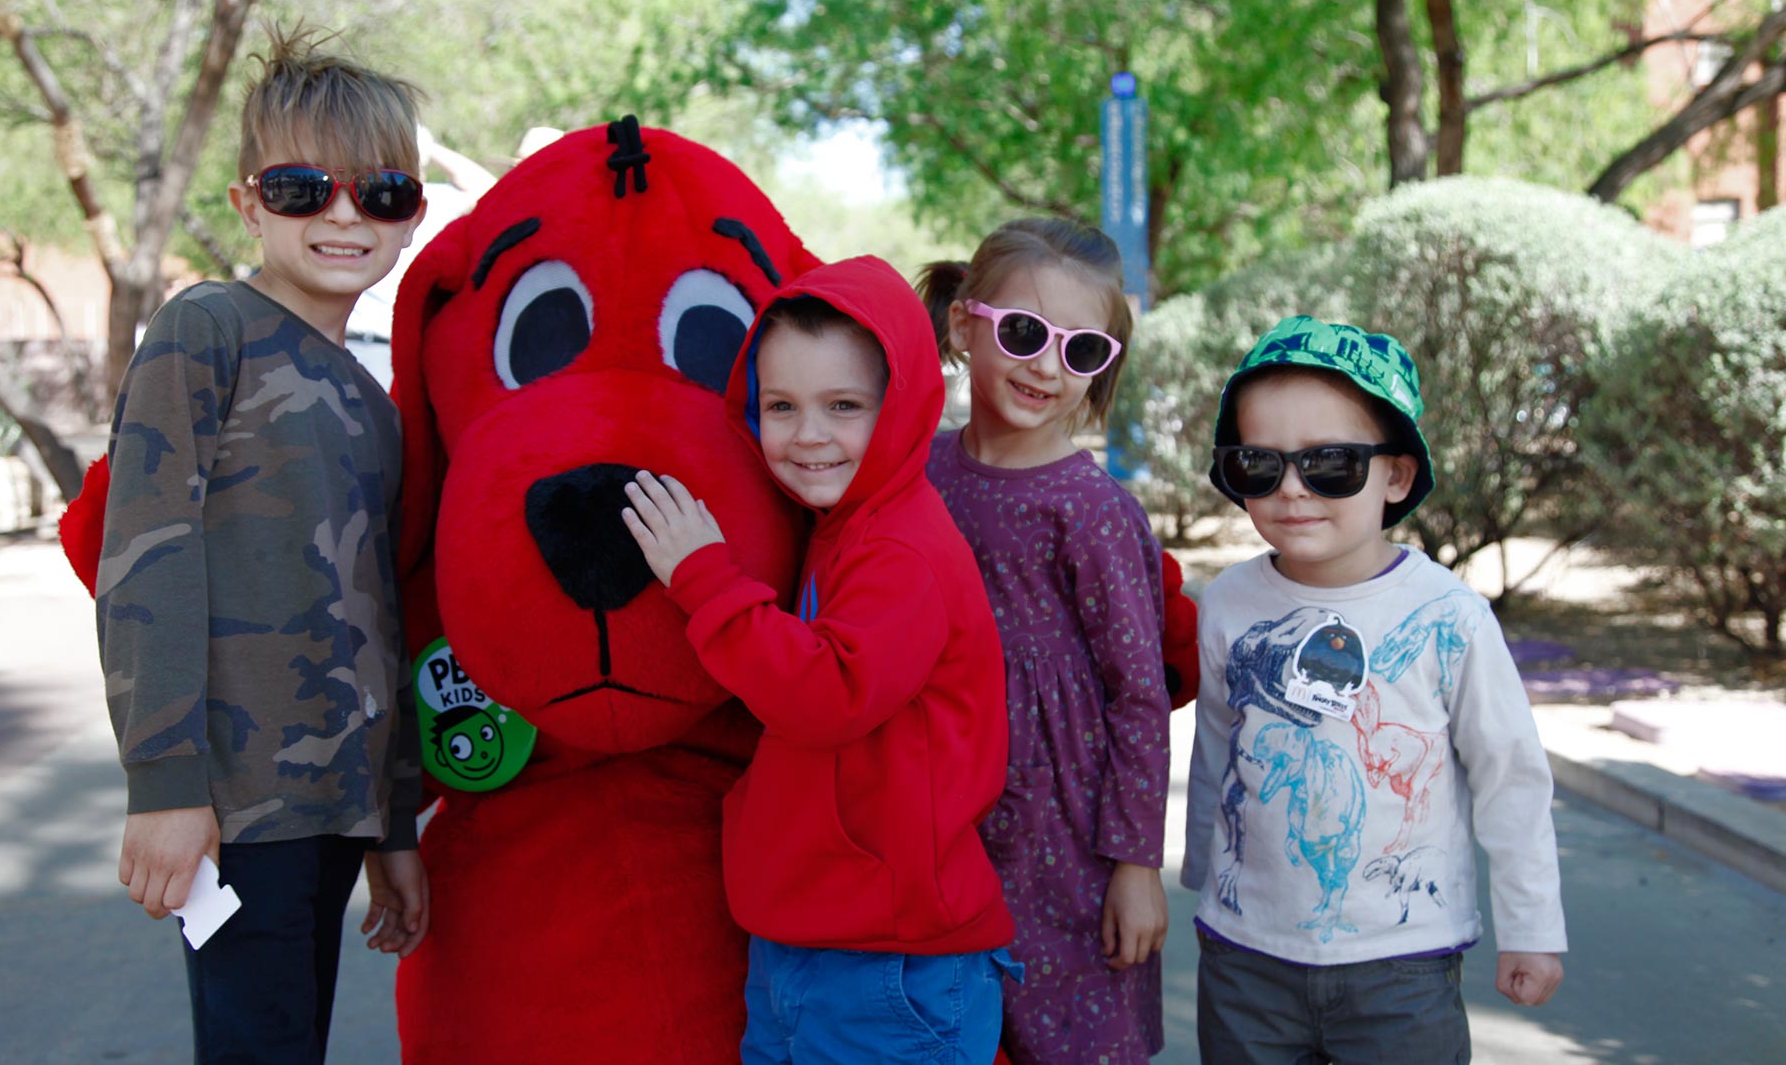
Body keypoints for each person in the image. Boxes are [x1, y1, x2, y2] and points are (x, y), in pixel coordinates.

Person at [91, 25, 428, 1064]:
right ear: (248, 202)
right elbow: (149, 557)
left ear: (410, 217)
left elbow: (390, 616)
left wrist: (398, 828)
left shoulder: (378, 407)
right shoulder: (208, 330)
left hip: (340, 811)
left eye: (378, 193)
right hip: (238, 812)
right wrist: (163, 785)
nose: (341, 214)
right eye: (299, 187)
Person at [619, 255, 1020, 1065]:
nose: (807, 436)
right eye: (780, 406)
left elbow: (829, 692)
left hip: (890, 959)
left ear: (899, 406)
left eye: (843, 407)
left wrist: (704, 580)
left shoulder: (902, 548)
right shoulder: (842, 527)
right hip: (816, 937)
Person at [1182, 316, 1567, 1063]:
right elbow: (1217, 750)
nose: (1291, 490)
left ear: (1396, 474)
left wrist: (1533, 927)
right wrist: (1201, 873)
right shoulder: (1229, 603)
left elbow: (1510, 776)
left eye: (1330, 464)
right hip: (1246, 957)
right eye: (1258, 464)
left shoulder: (1449, 617)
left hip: (1404, 968)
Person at [919, 218, 1174, 1064]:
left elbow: (1138, 694)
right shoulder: (916, 472)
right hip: (943, 801)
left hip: (1063, 831)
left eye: (1083, 351)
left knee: (1072, 1031)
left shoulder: (1092, 511)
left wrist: (1136, 865)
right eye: (1025, 333)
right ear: (966, 323)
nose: (1045, 367)